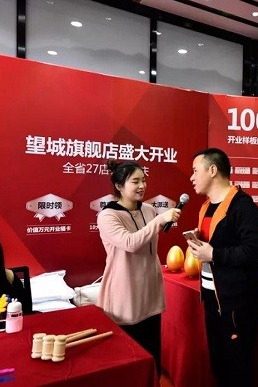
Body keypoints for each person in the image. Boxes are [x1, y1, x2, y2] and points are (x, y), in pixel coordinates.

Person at [186, 148, 258, 387]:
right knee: (219, 364)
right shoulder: (206, 206)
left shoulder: (242, 206)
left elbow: (257, 250)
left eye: (195, 171)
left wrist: (214, 253)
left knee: (237, 369)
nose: (191, 177)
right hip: (213, 298)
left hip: (236, 303)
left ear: (213, 170)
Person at [96, 159, 181, 375]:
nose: (142, 186)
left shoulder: (149, 210)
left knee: (152, 358)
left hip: (150, 293)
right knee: (129, 363)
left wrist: (158, 219)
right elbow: (130, 243)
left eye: (144, 180)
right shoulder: (107, 215)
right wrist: (159, 221)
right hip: (125, 295)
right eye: (135, 182)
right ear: (119, 186)